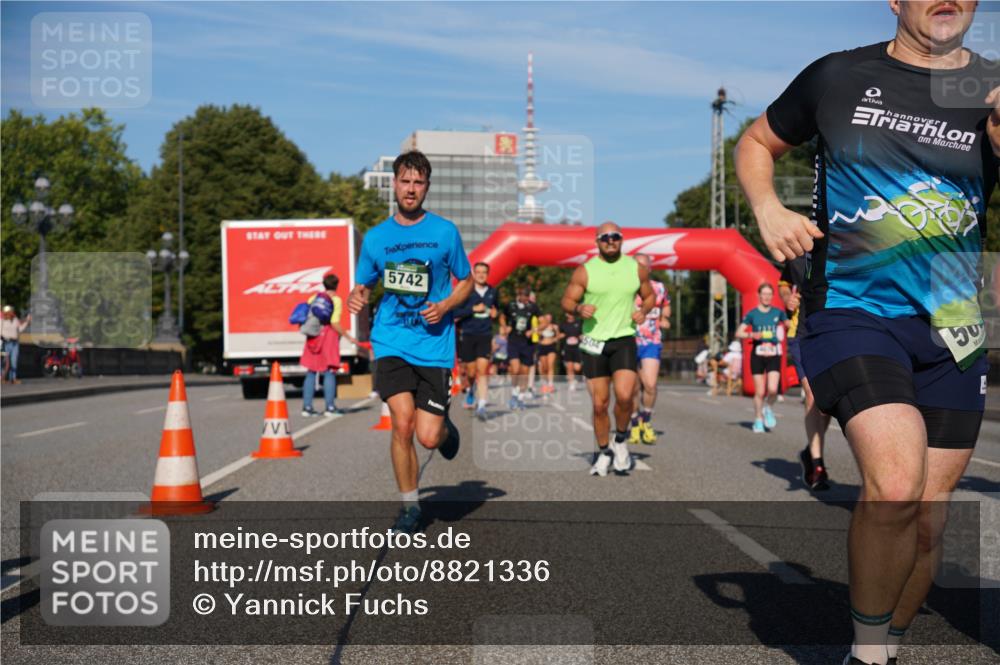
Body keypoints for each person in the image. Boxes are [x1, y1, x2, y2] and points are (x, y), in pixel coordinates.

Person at [735, 2, 999, 662]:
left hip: (954, 328)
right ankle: (870, 654)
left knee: (929, 521)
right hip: (853, 312)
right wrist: (767, 208)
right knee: (896, 483)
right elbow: (756, 142)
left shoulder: (991, 90)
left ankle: (882, 646)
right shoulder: (838, 76)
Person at [348, 150, 473, 535]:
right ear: (395, 184)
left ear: (427, 188)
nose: (411, 189)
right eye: (405, 181)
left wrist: (447, 303)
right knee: (401, 424)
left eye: (419, 183)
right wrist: (358, 297)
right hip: (391, 341)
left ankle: (446, 430)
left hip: (434, 345)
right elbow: (364, 284)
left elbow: (466, 281)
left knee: (428, 436)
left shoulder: (444, 232)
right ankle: (410, 507)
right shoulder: (377, 238)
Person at [561, 222, 654, 477]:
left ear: (622, 240)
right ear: (597, 241)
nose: (610, 241)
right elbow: (567, 300)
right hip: (593, 343)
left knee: (625, 396)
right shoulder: (585, 271)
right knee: (600, 404)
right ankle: (603, 452)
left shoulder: (636, 268)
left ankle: (621, 440)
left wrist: (643, 311)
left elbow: (649, 296)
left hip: (624, 338)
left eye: (615, 237)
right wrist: (579, 309)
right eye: (605, 238)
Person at [779, 256, 833, 490]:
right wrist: (786, 298)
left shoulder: (848, 242)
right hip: (802, 334)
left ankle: (810, 452)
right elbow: (784, 282)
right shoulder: (799, 255)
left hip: (835, 332)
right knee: (812, 393)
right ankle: (818, 465)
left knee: (828, 399)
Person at [300, 273, 359, 417]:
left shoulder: (314, 298)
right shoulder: (336, 300)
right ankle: (330, 407)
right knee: (329, 371)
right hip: (328, 336)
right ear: (336, 285)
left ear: (324, 284)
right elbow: (334, 322)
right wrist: (348, 337)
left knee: (311, 371)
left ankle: (307, 408)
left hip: (313, 336)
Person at [629, 253, 671, 445]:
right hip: (628, 341)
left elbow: (666, 306)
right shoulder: (626, 289)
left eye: (644, 266)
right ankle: (634, 423)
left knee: (650, 385)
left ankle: (646, 420)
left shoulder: (659, 288)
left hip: (651, 341)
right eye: (637, 266)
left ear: (650, 268)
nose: (640, 270)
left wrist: (664, 317)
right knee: (632, 388)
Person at [735, 284, 787, 434]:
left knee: (772, 389)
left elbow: (788, 325)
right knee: (759, 391)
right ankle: (758, 419)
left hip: (773, 355)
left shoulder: (778, 313)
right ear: (759, 295)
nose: (767, 297)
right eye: (764, 294)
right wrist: (752, 335)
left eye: (769, 294)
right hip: (758, 355)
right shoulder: (752, 314)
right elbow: (739, 333)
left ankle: (768, 408)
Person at [452, 261, 498, 420]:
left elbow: (496, 309)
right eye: (478, 272)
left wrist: (495, 313)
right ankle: (471, 390)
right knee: (471, 372)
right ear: (474, 273)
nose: (481, 275)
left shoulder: (493, 291)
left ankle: (482, 405)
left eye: (484, 272)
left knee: (482, 370)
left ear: (487, 274)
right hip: (468, 334)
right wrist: (472, 309)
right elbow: (455, 312)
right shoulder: (466, 291)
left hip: (485, 335)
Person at [500, 286, 540, 410]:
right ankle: (514, 394)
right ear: (518, 294)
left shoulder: (533, 307)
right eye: (523, 294)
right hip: (513, 341)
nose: (525, 297)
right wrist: (505, 327)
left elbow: (544, 321)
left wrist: (534, 330)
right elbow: (501, 316)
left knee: (524, 372)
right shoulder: (510, 306)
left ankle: (521, 398)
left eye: (527, 295)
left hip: (527, 342)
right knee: (515, 369)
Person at [1, 306, 30, 384]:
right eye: (9, 312)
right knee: (4, 362)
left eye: (12, 312)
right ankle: (2, 378)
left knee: (14, 361)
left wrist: (27, 322)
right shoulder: (2, 320)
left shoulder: (15, 320)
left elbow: (20, 329)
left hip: (15, 343)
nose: (11, 313)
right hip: (6, 343)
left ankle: (13, 378)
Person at [536, 313, 561, 396]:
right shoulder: (540, 326)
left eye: (550, 318)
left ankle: (550, 384)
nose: (548, 319)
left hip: (551, 347)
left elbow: (558, 336)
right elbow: (537, 336)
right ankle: (545, 383)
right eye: (547, 318)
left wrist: (555, 339)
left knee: (550, 365)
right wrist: (540, 331)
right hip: (542, 347)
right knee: (544, 367)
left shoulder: (554, 326)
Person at [559, 312, 583, 391]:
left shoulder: (579, 323)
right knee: (569, 367)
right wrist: (560, 336)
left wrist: (582, 337)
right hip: (567, 348)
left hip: (577, 348)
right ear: (566, 315)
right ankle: (571, 383)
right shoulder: (563, 325)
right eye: (569, 314)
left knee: (577, 368)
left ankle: (575, 379)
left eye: (572, 314)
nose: (571, 315)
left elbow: (583, 333)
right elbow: (559, 335)